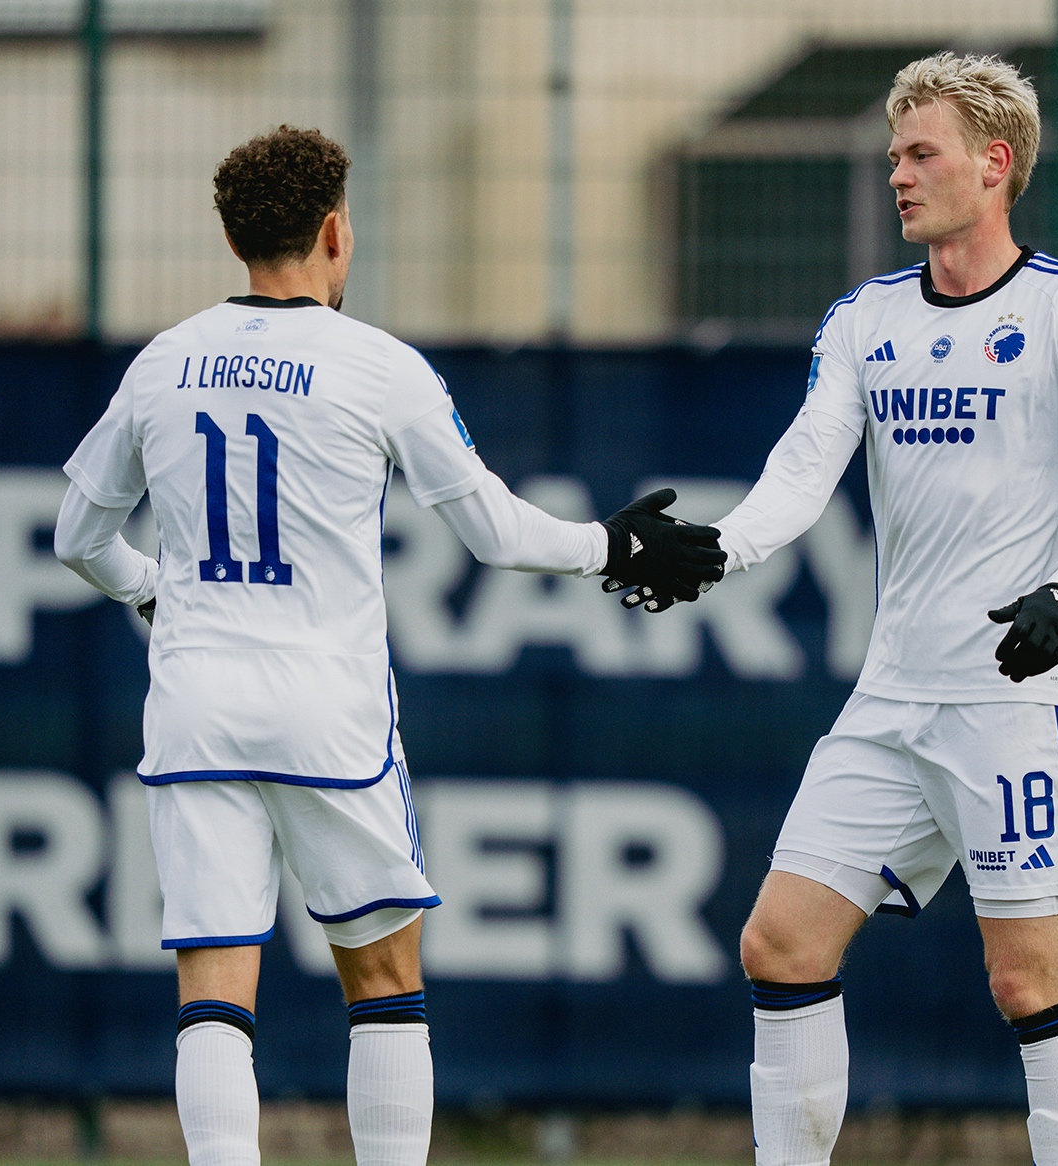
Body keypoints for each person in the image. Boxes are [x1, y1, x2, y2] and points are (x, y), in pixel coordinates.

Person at [52, 126, 723, 1166]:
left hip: (194, 704)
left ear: (235, 237)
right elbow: (495, 532)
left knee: (215, 990)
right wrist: (610, 543)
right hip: (330, 711)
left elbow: (78, 536)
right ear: (333, 230)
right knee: (382, 976)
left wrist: (155, 594)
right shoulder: (376, 367)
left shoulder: (164, 361)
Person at [689, 54, 1058, 1166]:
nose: (896, 172)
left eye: (919, 152)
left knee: (1030, 976)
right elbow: (800, 476)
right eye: (893, 152)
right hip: (890, 698)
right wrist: (715, 549)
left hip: (1018, 696)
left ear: (994, 164)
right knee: (778, 943)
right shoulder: (865, 319)